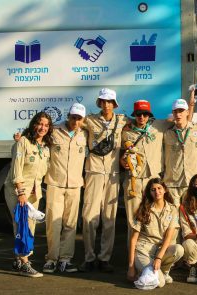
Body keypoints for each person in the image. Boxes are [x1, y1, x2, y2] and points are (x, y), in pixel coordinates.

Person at [79, 88, 126, 272]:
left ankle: (105, 258)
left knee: (109, 219)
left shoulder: (122, 121)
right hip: (94, 172)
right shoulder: (89, 120)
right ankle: (89, 257)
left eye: (110, 102)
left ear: (114, 104)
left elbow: (144, 124)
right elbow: (70, 124)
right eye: (103, 101)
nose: (106, 105)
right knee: (89, 217)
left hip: (113, 175)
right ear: (99, 103)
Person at [5, 111, 52, 277]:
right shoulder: (23, 142)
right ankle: (25, 263)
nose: (43, 128)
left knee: (30, 226)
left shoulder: (45, 146)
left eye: (46, 125)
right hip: (19, 192)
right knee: (22, 225)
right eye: (40, 124)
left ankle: (18, 260)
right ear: (33, 124)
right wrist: (21, 193)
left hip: (35, 193)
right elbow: (16, 170)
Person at [42, 103, 87, 273]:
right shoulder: (53, 131)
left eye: (79, 118)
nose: (76, 121)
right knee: (53, 223)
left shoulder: (85, 134)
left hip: (75, 185)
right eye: (73, 117)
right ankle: (51, 259)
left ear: (83, 120)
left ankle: (65, 259)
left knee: (71, 224)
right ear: (68, 116)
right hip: (55, 183)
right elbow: (37, 140)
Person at [120, 100, 170, 243]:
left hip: (153, 180)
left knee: (153, 219)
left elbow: (182, 120)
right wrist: (122, 161)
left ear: (149, 115)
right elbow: (119, 154)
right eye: (138, 114)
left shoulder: (159, 126)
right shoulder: (125, 130)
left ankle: (151, 256)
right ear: (134, 115)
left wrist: (190, 106)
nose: (141, 117)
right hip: (133, 181)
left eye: (145, 114)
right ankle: (132, 261)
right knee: (133, 221)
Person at [127, 178, 184, 288]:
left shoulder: (172, 209)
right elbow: (133, 239)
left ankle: (163, 271)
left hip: (160, 249)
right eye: (153, 189)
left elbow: (168, 237)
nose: (157, 192)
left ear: (165, 190)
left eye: (159, 188)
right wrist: (131, 267)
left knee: (179, 249)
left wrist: (158, 258)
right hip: (144, 250)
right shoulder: (143, 209)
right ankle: (145, 272)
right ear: (149, 192)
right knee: (160, 283)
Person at [163, 95, 197, 207]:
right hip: (173, 183)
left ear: (187, 112)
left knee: (192, 216)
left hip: (193, 183)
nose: (178, 114)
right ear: (172, 114)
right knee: (174, 219)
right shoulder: (166, 132)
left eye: (181, 111)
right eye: (175, 111)